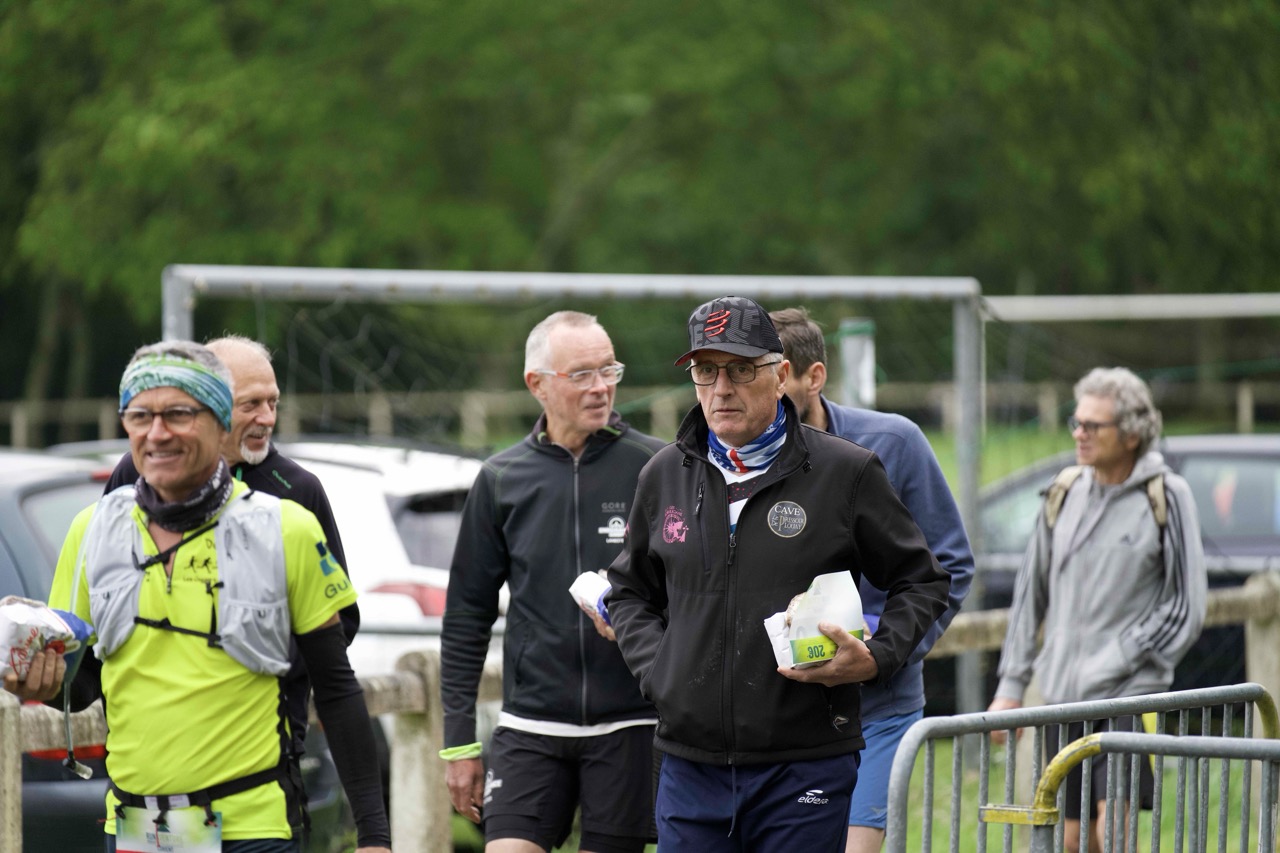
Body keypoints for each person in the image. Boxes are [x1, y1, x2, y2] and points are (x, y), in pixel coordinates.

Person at [4, 340, 390, 852]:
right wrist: (43, 680)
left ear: (219, 421)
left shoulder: (289, 524)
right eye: (140, 415)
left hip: (254, 825)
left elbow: (337, 686)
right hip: (139, 827)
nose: (157, 432)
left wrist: (374, 835)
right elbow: (83, 686)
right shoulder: (92, 529)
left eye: (179, 414)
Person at [606, 295, 951, 852]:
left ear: (781, 375)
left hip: (805, 764)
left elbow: (924, 580)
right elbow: (628, 593)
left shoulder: (846, 471)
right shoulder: (663, 474)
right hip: (690, 765)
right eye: (705, 370)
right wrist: (661, 673)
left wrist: (878, 656)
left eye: (741, 370)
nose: (722, 389)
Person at [439, 311, 666, 853]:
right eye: (581, 374)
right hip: (530, 725)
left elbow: (697, 590)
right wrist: (459, 744)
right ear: (536, 384)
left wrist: (642, 615)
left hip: (631, 724)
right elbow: (466, 616)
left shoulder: (657, 467)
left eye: (608, 370)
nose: (601, 387)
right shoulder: (501, 478)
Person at [103, 334, 360, 783]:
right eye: (251, 405)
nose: (267, 418)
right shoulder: (136, 471)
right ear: (215, 407)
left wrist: (246, 666)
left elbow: (342, 624)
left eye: (273, 403)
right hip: (153, 763)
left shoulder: (298, 490)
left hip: (265, 750)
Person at [769, 307, 974, 853]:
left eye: (777, 378)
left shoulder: (894, 442)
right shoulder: (739, 457)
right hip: (780, 711)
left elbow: (950, 564)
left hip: (879, 706)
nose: (762, 395)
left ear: (814, 377)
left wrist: (882, 645)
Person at [988, 367, 1207, 853]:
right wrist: (1010, 689)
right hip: (1063, 698)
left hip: (1128, 698)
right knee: (1071, 840)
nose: (1079, 434)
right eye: (1077, 422)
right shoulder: (1063, 491)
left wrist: (1121, 656)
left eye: (1093, 425)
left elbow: (1186, 607)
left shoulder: (1167, 495)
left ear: (1132, 434)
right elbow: (1029, 596)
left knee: (1113, 833)